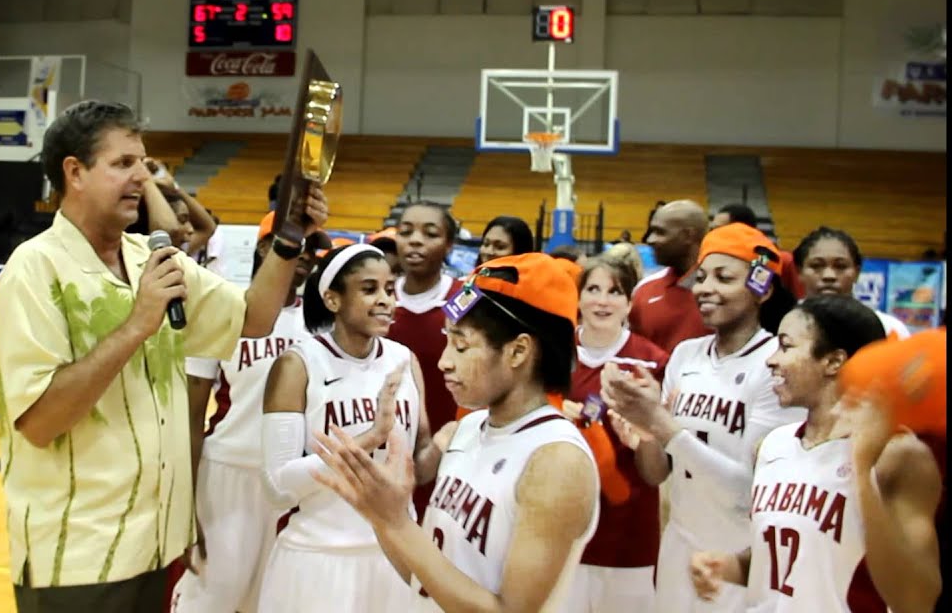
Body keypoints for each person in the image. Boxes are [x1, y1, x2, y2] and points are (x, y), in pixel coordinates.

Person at [0, 101, 328, 612]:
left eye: (144, 163)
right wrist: (138, 323)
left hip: (154, 544)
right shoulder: (33, 272)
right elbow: (39, 421)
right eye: (123, 163)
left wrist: (287, 239)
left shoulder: (150, 258)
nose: (142, 177)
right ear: (74, 172)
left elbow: (251, 320)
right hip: (80, 555)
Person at [311, 253, 600, 612]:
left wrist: (396, 522)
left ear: (518, 351)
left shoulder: (556, 460)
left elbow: (510, 611)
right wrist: (382, 515)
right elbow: (425, 580)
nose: (444, 361)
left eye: (461, 345)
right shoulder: (467, 428)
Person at [690, 297, 942, 612]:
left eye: (786, 346)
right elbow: (793, 560)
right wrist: (729, 566)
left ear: (833, 361)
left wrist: (862, 472)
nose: (771, 360)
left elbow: (917, 600)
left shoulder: (898, 455)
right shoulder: (772, 446)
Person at [601, 223, 803, 612]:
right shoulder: (685, 356)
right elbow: (658, 472)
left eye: (724, 278)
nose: (704, 288)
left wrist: (660, 422)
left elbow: (748, 490)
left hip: (740, 553)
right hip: (680, 540)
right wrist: (643, 431)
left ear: (763, 287)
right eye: (702, 276)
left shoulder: (775, 365)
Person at [257, 243, 437, 612]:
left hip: (398, 556)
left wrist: (452, 444)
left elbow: (416, 467)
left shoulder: (404, 359)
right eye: (369, 289)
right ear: (333, 300)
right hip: (319, 555)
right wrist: (369, 438)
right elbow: (277, 488)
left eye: (390, 288)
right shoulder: (298, 364)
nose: (386, 299)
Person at [169, 212, 328, 613]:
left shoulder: (323, 326)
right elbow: (190, 418)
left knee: (271, 603)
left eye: (311, 246)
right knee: (208, 599)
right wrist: (183, 509)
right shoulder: (226, 309)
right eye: (297, 244)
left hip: (290, 483)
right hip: (226, 475)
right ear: (264, 247)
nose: (306, 255)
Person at [560, 255, 669, 613]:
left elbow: (658, 470)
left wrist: (646, 437)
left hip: (628, 530)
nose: (602, 301)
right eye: (593, 289)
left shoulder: (652, 363)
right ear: (577, 298)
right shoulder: (553, 355)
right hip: (560, 523)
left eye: (614, 292)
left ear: (629, 303)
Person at [387, 201, 462, 512]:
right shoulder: (380, 297)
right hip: (386, 451)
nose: (415, 240)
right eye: (406, 232)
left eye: (430, 233)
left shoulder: (465, 298)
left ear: (449, 245)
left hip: (453, 448)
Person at [793, 226, 910, 339]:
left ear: (857, 272)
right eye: (816, 266)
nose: (829, 276)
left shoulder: (889, 329)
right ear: (799, 272)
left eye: (840, 266)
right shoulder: (783, 325)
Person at [630, 199, 711, 355]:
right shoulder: (643, 290)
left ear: (688, 235)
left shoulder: (726, 293)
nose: (649, 240)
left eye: (660, 232)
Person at [712, 202, 803, 299]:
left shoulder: (782, 260)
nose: (712, 235)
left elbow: (801, 301)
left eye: (719, 230)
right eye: (711, 229)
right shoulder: (712, 261)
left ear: (743, 230)